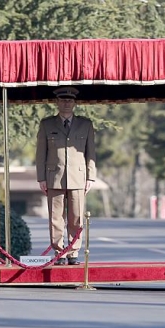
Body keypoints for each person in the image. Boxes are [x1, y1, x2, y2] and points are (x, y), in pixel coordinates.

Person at [36, 87, 97, 265]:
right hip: (54, 177)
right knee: (56, 217)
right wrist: (41, 178)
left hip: (78, 177)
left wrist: (90, 176)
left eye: (69, 101)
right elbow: (41, 153)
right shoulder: (47, 124)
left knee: (76, 217)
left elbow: (91, 152)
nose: (66, 104)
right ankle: (59, 253)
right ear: (57, 102)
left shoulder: (85, 124)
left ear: (75, 103)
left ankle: (73, 252)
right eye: (63, 100)